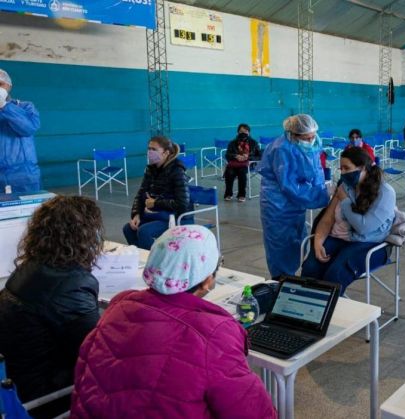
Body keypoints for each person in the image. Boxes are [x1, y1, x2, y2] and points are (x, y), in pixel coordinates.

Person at [71, 226, 276, 418]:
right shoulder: (214, 334)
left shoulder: (119, 306)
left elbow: (83, 372)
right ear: (207, 281)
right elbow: (253, 411)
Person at [0, 196, 102, 416]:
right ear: (83, 236)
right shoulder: (72, 284)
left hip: (18, 379)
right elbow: (95, 350)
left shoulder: (28, 269)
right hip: (49, 393)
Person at [301, 147, 396, 293]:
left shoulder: (385, 192)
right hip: (342, 238)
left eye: (347, 168)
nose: (343, 173)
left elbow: (363, 228)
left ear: (363, 168)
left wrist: (345, 200)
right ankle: (304, 308)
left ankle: (325, 312)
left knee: (335, 274)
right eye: (341, 168)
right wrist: (318, 241)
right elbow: (327, 219)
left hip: (370, 243)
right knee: (310, 268)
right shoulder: (345, 186)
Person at [258, 114, 329, 279]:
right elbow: (290, 186)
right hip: (278, 205)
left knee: (296, 240)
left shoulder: (311, 143)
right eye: (306, 138)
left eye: (312, 136)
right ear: (293, 135)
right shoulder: (282, 149)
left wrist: (321, 187)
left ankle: (288, 275)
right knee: (280, 243)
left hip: (295, 205)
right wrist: (322, 195)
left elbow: (316, 168)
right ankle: (280, 279)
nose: (311, 141)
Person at [123, 136, 192, 250]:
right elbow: (141, 194)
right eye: (149, 149)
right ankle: (141, 259)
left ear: (166, 153)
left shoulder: (177, 171)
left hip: (175, 216)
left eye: (154, 149)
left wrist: (156, 203)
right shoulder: (151, 170)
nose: (150, 152)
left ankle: (154, 263)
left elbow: (182, 203)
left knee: (144, 232)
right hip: (156, 213)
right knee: (128, 229)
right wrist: (136, 214)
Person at [0, 68, 41, 193]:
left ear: (9, 86)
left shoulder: (25, 107)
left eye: (0, 84)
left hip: (22, 176)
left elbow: (28, 129)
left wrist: (4, 106)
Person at [224, 123, 262, 202]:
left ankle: (241, 195)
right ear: (238, 132)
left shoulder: (254, 143)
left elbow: (259, 156)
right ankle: (228, 193)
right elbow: (227, 155)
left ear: (249, 132)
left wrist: (248, 157)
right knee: (229, 172)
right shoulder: (232, 143)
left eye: (246, 131)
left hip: (248, 164)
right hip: (234, 163)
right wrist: (236, 156)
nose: (244, 133)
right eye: (241, 131)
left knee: (242, 172)